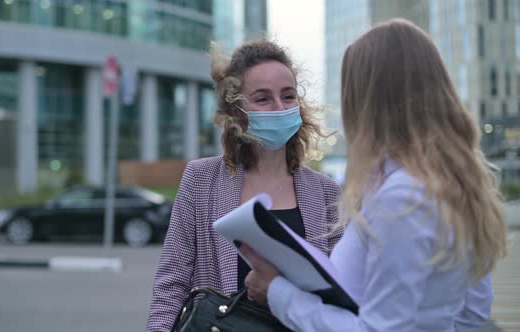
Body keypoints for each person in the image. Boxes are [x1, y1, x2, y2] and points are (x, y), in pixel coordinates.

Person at [241, 18, 508, 331]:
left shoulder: (402, 198)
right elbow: (471, 316)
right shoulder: (457, 186)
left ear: (366, 100)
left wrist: (277, 292)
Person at [145, 39, 342, 331]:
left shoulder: (326, 192)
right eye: (263, 99)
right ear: (236, 111)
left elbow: (341, 294)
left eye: (288, 96)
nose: (279, 108)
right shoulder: (201, 179)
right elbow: (171, 285)